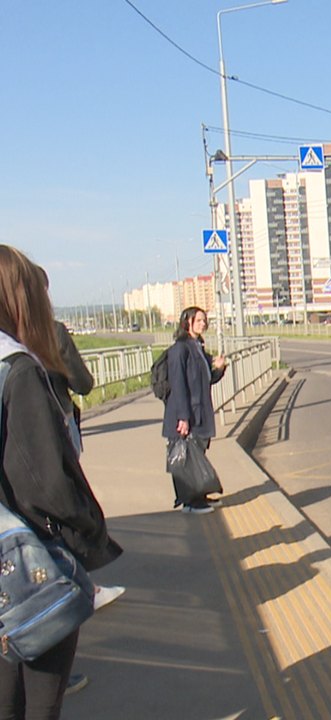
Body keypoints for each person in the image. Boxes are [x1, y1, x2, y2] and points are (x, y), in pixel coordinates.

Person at [0, 244, 122, 719]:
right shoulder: (20, 372)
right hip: (30, 565)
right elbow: (47, 483)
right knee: (41, 702)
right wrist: (91, 532)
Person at [162, 306, 227, 514]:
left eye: (204, 320)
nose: (203, 324)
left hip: (198, 410)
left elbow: (206, 380)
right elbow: (179, 384)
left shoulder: (196, 346)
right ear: (187, 322)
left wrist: (219, 368)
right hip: (185, 412)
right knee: (184, 457)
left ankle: (199, 496)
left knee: (195, 454)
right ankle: (189, 502)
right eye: (199, 320)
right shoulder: (180, 349)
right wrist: (182, 416)